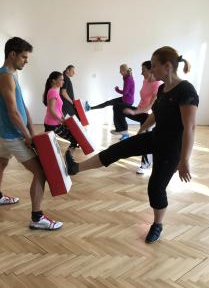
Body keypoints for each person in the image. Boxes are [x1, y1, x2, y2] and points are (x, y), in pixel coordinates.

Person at [65, 46, 199, 244]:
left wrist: (184, 160)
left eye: (154, 66)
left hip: (172, 149)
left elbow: (191, 128)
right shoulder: (163, 89)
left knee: (156, 188)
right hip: (156, 137)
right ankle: (75, 168)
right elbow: (155, 114)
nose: (151, 70)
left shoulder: (186, 90)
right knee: (117, 150)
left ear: (168, 66)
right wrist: (142, 130)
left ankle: (157, 224)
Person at [0, 37, 62, 230]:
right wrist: (27, 136)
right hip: (13, 135)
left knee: (0, 164)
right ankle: (37, 218)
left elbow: (22, 107)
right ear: (12, 54)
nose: (26, 60)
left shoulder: (11, 74)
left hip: (7, 133)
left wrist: (32, 129)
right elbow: (13, 112)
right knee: (40, 173)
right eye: (23, 56)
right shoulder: (5, 76)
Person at [112, 61, 162, 174]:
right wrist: (134, 111)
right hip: (139, 111)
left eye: (143, 70)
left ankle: (145, 165)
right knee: (117, 106)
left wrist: (134, 112)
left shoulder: (157, 85)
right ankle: (122, 129)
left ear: (150, 71)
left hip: (148, 115)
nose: (141, 73)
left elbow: (149, 106)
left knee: (146, 140)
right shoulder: (146, 80)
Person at [85, 64, 135, 135]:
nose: (119, 72)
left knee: (117, 109)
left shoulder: (128, 79)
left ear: (124, 70)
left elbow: (125, 92)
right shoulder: (126, 77)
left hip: (128, 101)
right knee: (109, 102)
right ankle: (90, 108)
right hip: (125, 99)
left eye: (120, 70)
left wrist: (117, 90)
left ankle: (122, 130)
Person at [43, 71, 78, 152]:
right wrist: (61, 120)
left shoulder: (55, 91)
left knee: (47, 143)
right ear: (54, 81)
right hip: (52, 124)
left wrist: (63, 117)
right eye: (61, 79)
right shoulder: (53, 92)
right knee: (74, 139)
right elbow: (51, 110)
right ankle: (69, 159)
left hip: (54, 122)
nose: (63, 81)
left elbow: (58, 108)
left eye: (63, 79)